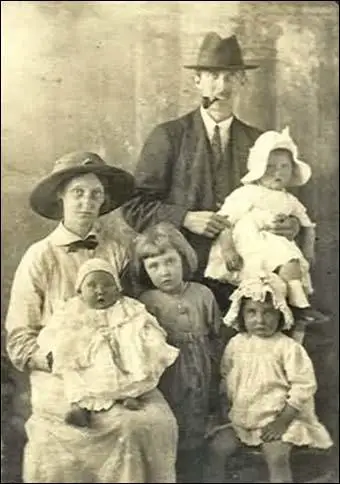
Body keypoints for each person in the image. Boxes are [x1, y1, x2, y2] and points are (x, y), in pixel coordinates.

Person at [5, 151, 178, 483]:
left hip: (120, 366)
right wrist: (61, 358)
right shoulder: (39, 257)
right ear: (61, 197)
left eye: (95, 194)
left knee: (156, 422)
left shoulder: (115, 251)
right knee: (118, 426)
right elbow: (19, 338)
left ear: (104, 200)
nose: (87, 202)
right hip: (60, 372)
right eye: (77, 193)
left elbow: (129, 310)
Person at [122, 32, 300, 314]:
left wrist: (290, 225)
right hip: (182, 278)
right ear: (197, 81)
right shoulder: (169, 136)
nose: (222, 86)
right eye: (213, 76)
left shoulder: (261, 142)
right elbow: (134, 208)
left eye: (231, 77)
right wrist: (185, 217)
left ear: (243, 81)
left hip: (247, 279)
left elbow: (280, 199)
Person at [203, 274, 333, 483]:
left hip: (279, 419)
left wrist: (282, 421)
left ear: (280, 313)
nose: (260, 320)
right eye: (252, 312)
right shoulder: (236, 344)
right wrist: (225, 410)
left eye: (268, 312)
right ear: (241, 314)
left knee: (276, 455)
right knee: (216, 449)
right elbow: (227, 379)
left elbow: (303, 386)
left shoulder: (287, 348)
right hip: (243, 420)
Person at [204, 126, 328, 329]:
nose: (277, 173)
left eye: (284, 167)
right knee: (259, 292)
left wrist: (308, 250)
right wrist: (228, 249)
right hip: (248, 250)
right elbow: (225, 221)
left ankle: (299, 309)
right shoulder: (246, 193)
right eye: (270, 167)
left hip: (275, 250)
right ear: (259, 168)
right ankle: (288, 314)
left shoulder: (290, 200)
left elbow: (307, 225)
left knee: (291, 265)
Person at [37, 257, 179, 428]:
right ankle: (80, 408)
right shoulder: (72, 309)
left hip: (123, 357)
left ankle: (130, 396)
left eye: (107, 285)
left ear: (118, 289)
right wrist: (53, 348)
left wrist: (149, 340)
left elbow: (146, 323)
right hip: (88, 359)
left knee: (135, 372)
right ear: (80, 290)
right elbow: (53, 331)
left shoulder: (128, 307)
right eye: (92, 285)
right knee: (77, 380)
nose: (100, 291)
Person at [131, 222, 223, 483]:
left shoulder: (203, 294)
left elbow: (216, 336)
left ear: (183, 259)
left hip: (202, 369)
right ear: (145, 271)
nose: (164, 272)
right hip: (169, 374)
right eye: (154, 266)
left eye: (170, 262)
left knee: (201, 423)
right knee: (173, 428)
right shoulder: (147, 302)